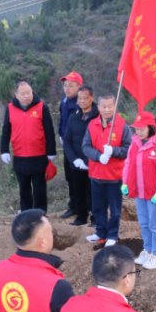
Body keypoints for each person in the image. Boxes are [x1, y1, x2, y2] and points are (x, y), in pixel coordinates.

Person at [121, 112, 156, 270]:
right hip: (140, 192)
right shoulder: (135, 144)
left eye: (142, 129)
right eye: (136, 129)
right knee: (144, 223)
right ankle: (147, 249)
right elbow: (128, 163)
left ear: (151, 128)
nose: (139, 132)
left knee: (155, 224)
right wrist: (125, 182)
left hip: (155, 194)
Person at [83, 94, 132, 246]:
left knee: (115, 209)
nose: (107, 109)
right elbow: (86, 146)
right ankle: (101, 232)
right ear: (98, 107)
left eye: (110, 106)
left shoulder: (123, 126)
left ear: (115, 106)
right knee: (98, 207)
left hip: (114, 176)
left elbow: (129, 149)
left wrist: (113, 151)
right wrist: (98, 156)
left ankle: (113, 234)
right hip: (96, 174)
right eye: (103, 106)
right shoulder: (92, 125)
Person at [1, 81, 57, 213]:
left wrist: (51, 152)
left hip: (39, 156)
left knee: (39, 189)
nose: (27, 96)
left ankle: (40, 215)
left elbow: (49, 131)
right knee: (24, 189)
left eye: (29, 92)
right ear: (16, 95)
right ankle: (26, 215)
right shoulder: (10, 108)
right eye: (23, 93)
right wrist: (4, 150)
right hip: (20, 156)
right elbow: (6, 131)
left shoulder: (42, 107)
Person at [62, 86, 97, 226]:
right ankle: (81, 217)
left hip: (93, 161)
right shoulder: (74, 117)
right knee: (78, 190)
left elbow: (101, 141)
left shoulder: (98, 116)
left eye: (85, 98)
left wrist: (88, 160)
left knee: (94, 191)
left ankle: (95, 218)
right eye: (79, 98)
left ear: (92, 98)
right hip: (76, 162)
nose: (82, 101)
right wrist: (74, 159)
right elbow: (67, 140)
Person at [58, 71, 83, 220]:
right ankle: (73, 206)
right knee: (69, 176)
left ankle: (84, 207)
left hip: (79, 146)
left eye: (70, 85)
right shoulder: (64, 101)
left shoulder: (82, 103)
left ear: (79, 87)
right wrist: (60, 134)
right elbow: (62, 119)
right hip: (67, 145)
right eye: (65, 85)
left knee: (80, 176)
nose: (67, 88)